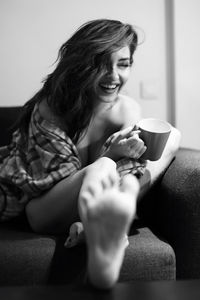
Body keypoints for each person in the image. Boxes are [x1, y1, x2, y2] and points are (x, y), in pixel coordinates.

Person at [0, 19, 181, 289]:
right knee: (104, 167)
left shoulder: (126, 109)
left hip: (99, 199)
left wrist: (124, 157)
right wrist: (110, 155)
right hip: (41, 211)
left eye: (123, 64)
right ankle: (108, 223)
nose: (113, 76)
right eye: (101, 64)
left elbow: (133, 166)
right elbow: (44, 188)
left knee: (172, 137)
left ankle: (104, 227)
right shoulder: (50, 108)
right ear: (80, 66)